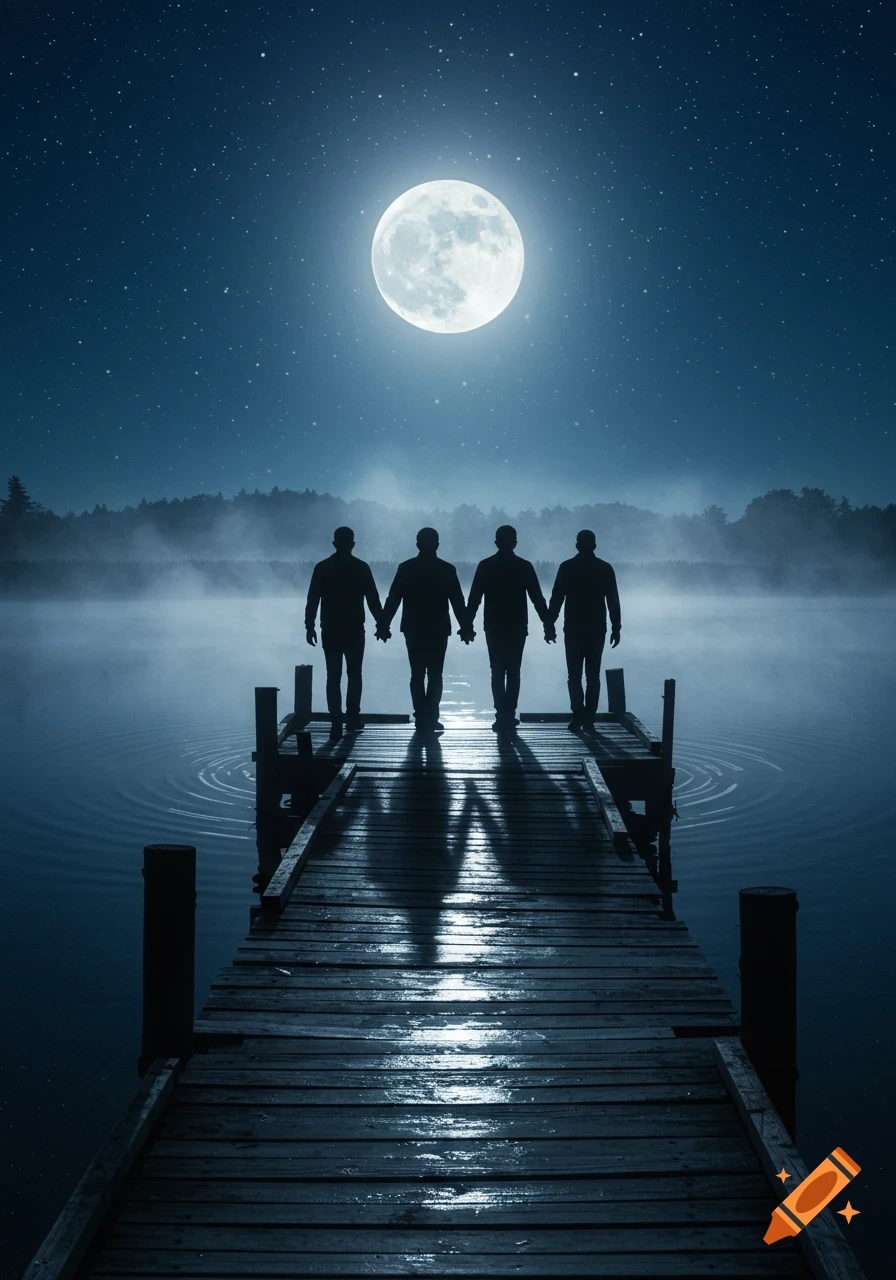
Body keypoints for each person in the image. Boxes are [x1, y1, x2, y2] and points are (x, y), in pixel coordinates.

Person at [382, 528, 473, 731]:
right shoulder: (447, 569)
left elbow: (393, 599)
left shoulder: (406, 568)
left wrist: (383, 625)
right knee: (435, 674)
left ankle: (421, 716)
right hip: (438, 629)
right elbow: (458, 601)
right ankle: (431, 716)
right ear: (437, 545)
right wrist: (466, 627)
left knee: (416, 674)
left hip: (413, 628)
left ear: (417, 544)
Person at [467, 525, 550, 732]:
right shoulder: (524, 566)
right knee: (513, 672)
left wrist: (467, 624)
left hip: (494, 627)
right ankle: (509, 714)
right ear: (515, 543)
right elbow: (537, 599)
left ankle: (500, 715)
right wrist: (548, 624)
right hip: (517, 627)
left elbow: (474, 599)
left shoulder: (485, 566)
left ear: (496, 542)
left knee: (497, 672)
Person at [304, 526, 386, 733]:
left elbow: (313, 599)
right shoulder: (361, 567)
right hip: (354, 630)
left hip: (330, 630)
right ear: (353, 544)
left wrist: (310, 625)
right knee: (354, 674)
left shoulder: (322, 568)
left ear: (334, 544)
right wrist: (382, 624)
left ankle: (335, 719)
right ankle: (352, 717)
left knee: (333, 675)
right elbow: (373, 600)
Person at [546, 529, 621, 731]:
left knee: (574, 675)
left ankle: (578, 715)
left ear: (577, 545)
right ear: (594, 546)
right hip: (597, 629)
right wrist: (616, 627)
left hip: (573, 629)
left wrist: (549, 624)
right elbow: (613, 600)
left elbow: (556, 598)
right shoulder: (604, 568)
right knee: (593, 675)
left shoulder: (567, 567)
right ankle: (589, 717)